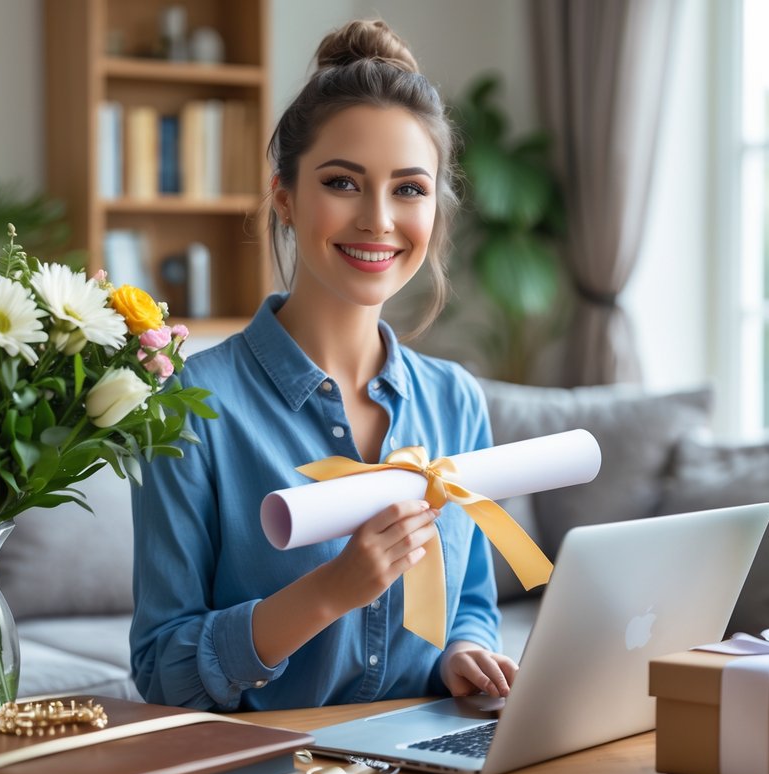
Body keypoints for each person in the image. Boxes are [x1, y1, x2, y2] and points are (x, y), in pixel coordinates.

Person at [130, 18, 515, 711]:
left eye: (408, 189)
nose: (378, 220)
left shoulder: (456, 401)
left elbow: (472, 603)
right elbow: (163, 673)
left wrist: (464, 653)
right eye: (343, 183)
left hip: (426, 754)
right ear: (284, 195)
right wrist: (331, 591)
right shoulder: (188, 404)